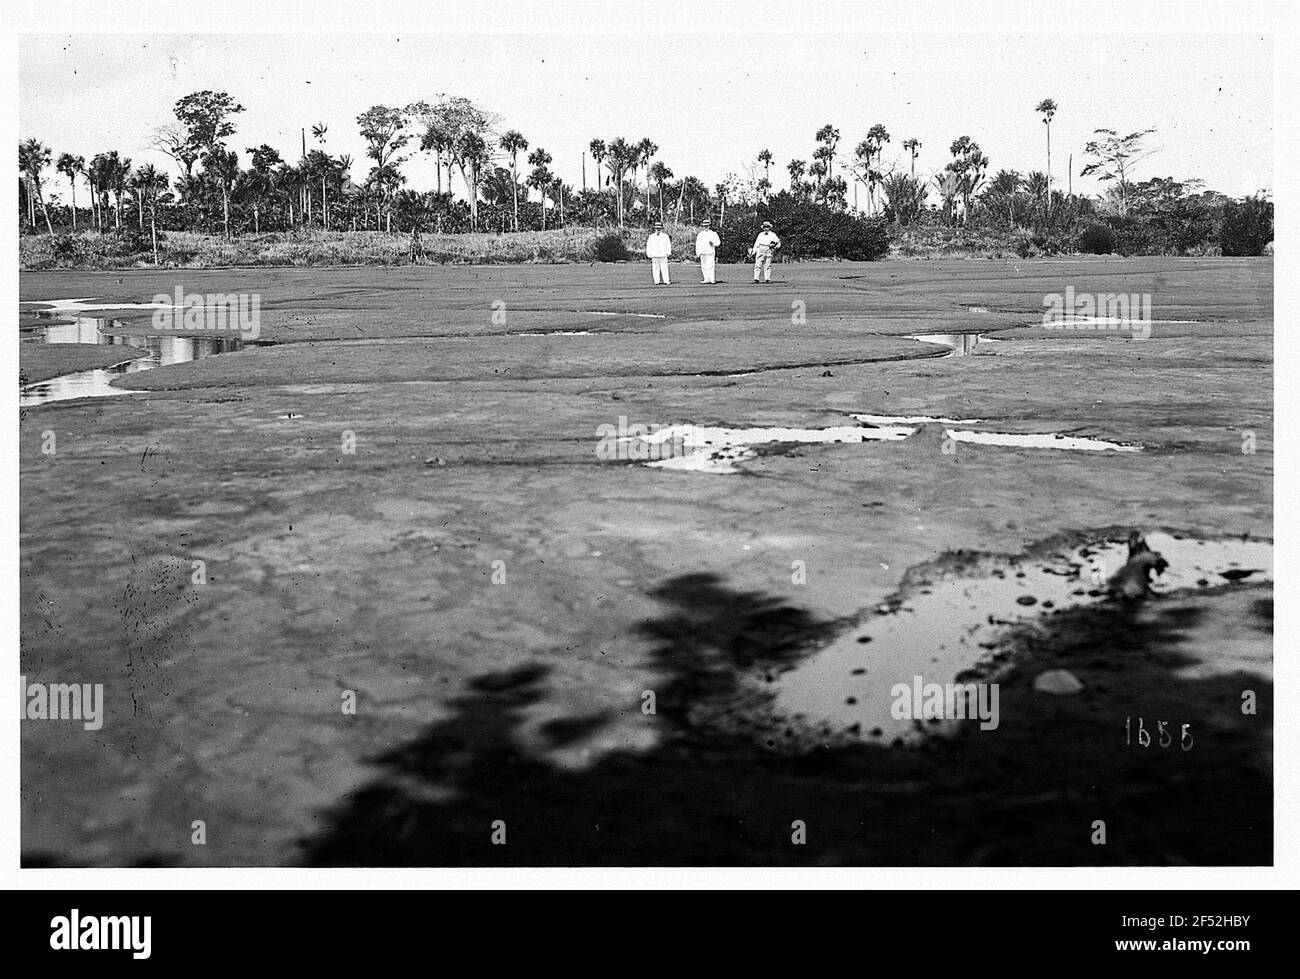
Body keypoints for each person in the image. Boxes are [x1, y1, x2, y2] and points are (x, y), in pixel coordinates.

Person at [694, 216, 721, 283]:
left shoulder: (713, 233)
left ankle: (712, 279)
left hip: (710, 252)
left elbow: (718, 242)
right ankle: (706, 279)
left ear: (709, 226)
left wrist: (713, 244)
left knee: (711, 266)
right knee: (704, 266)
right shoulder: (700, 235)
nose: (706, 227)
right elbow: (698, 244)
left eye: (707, 226)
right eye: (704, 226)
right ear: (702, 226)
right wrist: (698, 253)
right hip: (703, 252)